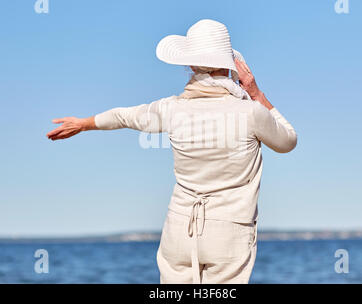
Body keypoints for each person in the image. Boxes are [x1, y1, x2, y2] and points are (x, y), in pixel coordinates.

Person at [47, 19, 297, 284]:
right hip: (228, 233)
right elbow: (288, 141)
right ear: (231, 67)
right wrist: (256, 93)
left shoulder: (172, 109)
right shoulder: (251, 113)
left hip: (179, 231)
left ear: (190, 65)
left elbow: (123, 116)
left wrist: (84, 124)